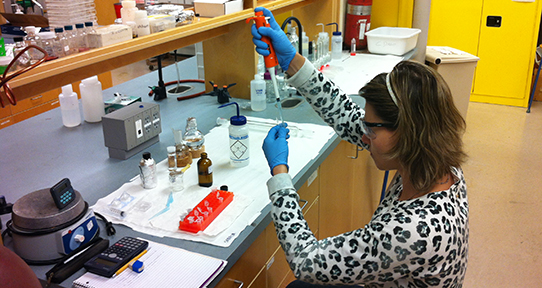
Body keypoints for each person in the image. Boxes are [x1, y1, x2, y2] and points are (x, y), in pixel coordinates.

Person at [253, 7, 469, 288]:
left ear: (408, 132)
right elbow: (348, 118)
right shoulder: (437, 162)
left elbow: (307, 262)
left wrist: (280, 174)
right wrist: (291, 61)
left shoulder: (414, 230)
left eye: (371, 128)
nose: (363, 136)